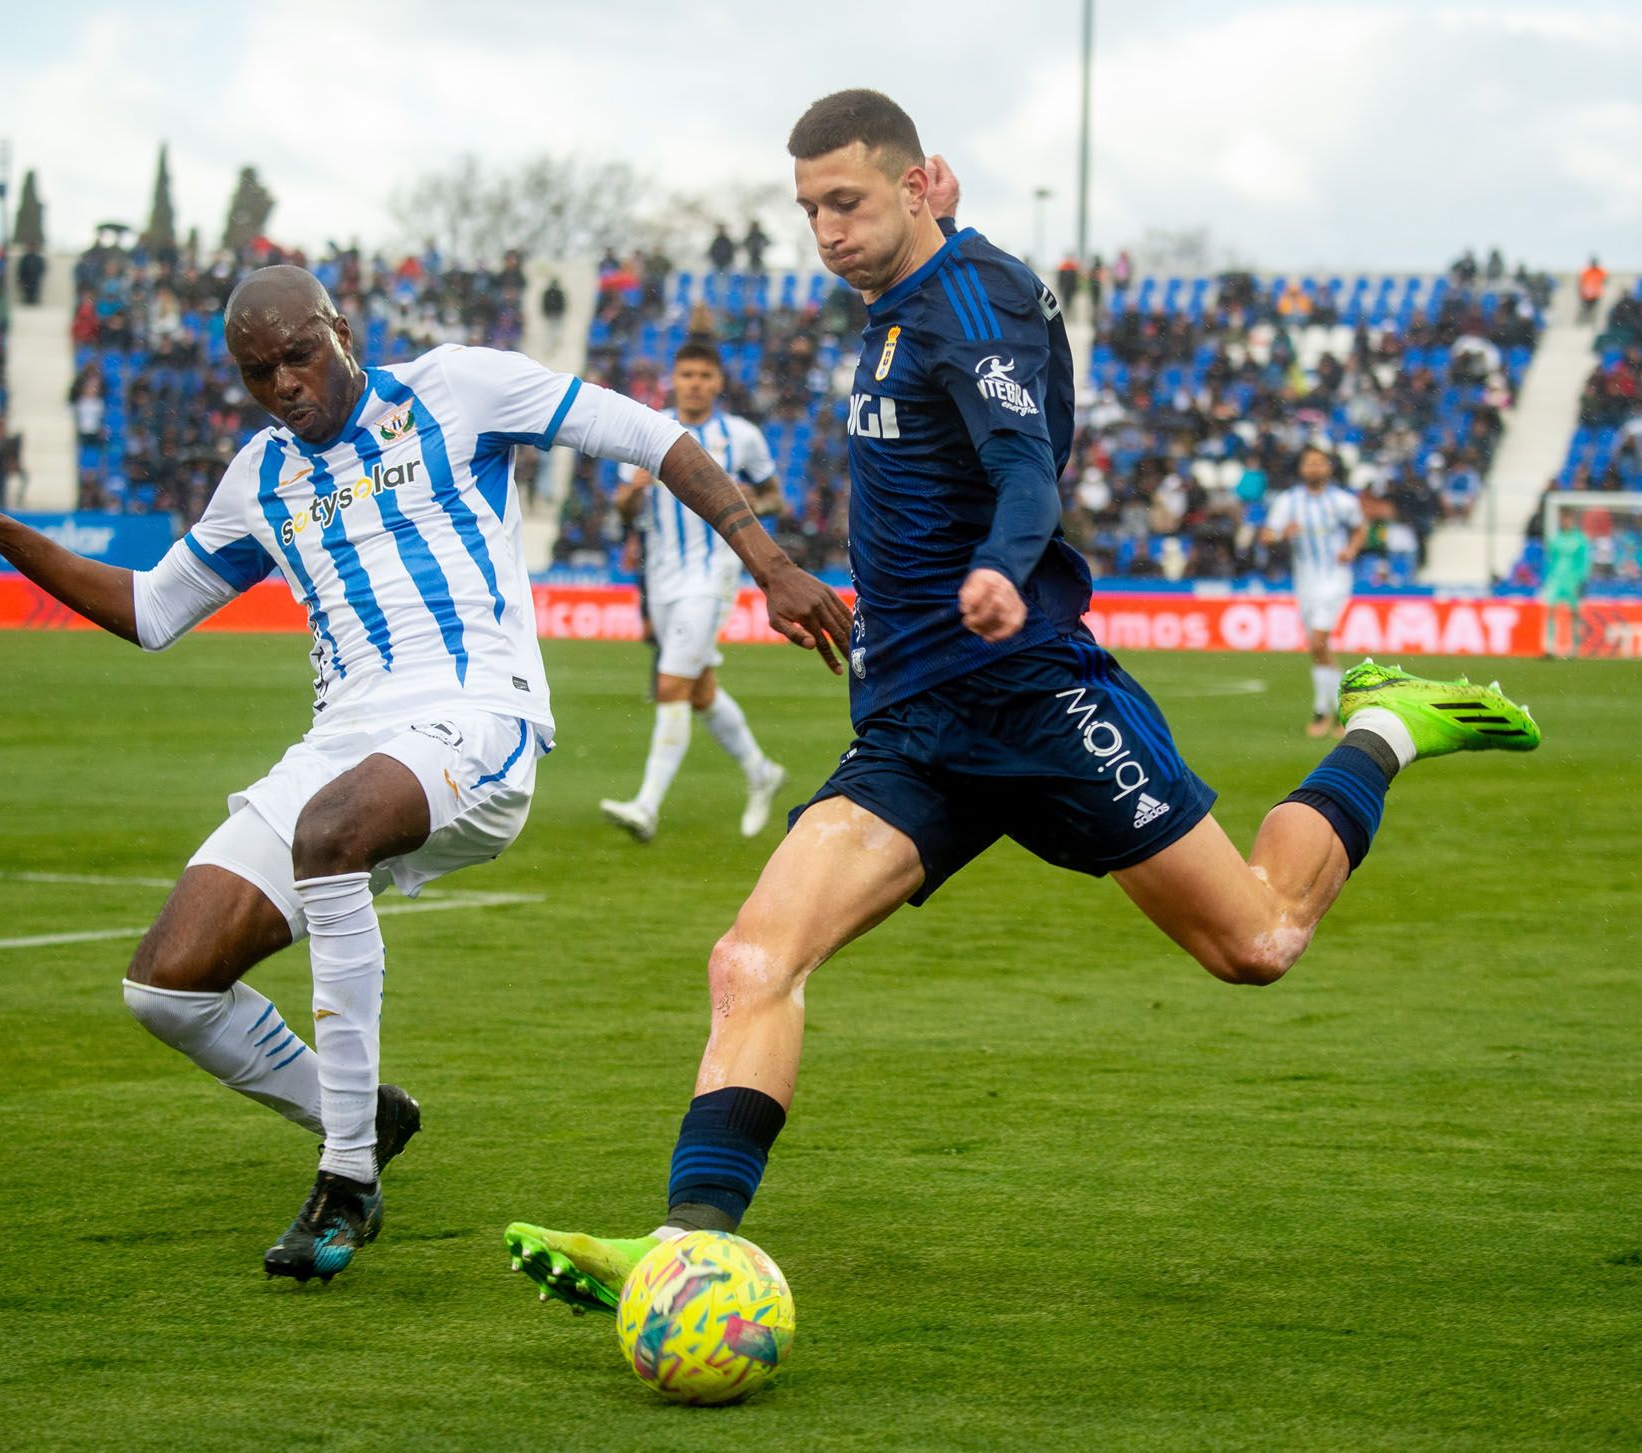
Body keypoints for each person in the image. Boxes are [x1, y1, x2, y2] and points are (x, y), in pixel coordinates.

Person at [501, 89, 1541, 1315]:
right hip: (913, 729)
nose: (825, 230)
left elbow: (1019, 466)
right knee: (750, 958)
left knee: (1255, 940)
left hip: (1032, 700)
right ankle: (686, 1246)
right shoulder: (890, 313)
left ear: (919, 181)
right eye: (807, 210)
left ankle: (1382, 723)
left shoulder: (971, 301)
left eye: (845, 201)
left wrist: (1000, 564)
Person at [0, 264, 849, 1285]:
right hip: (342, 741)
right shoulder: (259, 476)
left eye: (298, 353)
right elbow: (152, 611)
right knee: (166, 984)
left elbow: (651, 436)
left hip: (479, 717)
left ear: (338, 329)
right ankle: (367, 1113)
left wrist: (768, 561)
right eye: (259, 371)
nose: (285, 382)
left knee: (329, 834)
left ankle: (347, 1179)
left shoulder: (457, 388)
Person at [600, 341, 789, 842]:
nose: (696, 383)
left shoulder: (741, 436)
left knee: (671, 687)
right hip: (662, 577)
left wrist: (752, 500)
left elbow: (774, 498)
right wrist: (634, 490)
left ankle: (646, 806)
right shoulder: (647, 428)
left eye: (706, 375)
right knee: (700, 691)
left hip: (711, 576)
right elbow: (621, 512)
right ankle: (761, 771)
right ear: (674, 379)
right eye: (687, 374)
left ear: (719, 383)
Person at [1260, 444, 1367, 736]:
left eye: (1320, 463)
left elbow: (1361, 528)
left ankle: (1323, 712)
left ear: (1329, 468)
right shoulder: (1289, 501)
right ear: (1301, 468)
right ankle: (1347, 710)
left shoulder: (1343, 501)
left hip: (1335, 579)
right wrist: (1282, 533)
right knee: (1318, 649)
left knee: (1318, 644)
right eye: (1310, 463)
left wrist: (1352, 550)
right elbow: (1267, 535)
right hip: (1304, 582)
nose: (1315, 468)